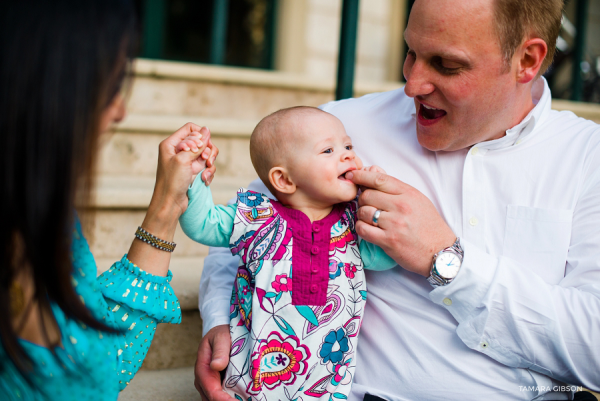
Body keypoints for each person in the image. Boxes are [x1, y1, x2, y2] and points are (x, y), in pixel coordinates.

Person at [194, 0, 600, 400]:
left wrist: (448, 260)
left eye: (446, 64)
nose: (412, 84)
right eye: (411, 52)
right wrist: (220, 326)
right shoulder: (339, 133)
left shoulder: (587, 159)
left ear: (527, 60)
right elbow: (243, 236)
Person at [0, 1, 217, 400]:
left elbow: (102, 361)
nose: (120, 110)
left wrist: (167, 204)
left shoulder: (50, 215)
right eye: (112, 83)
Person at [176, 106, 395, 399]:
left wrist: (379, 202)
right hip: (251, 380)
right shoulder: (257, 218)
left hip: (326, 385)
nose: (348, 155)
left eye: (348, 146)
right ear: (284, 180)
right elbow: (201, 225)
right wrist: (194, 175)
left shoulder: (351, 224)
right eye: (328, 150)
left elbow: (386, 257)